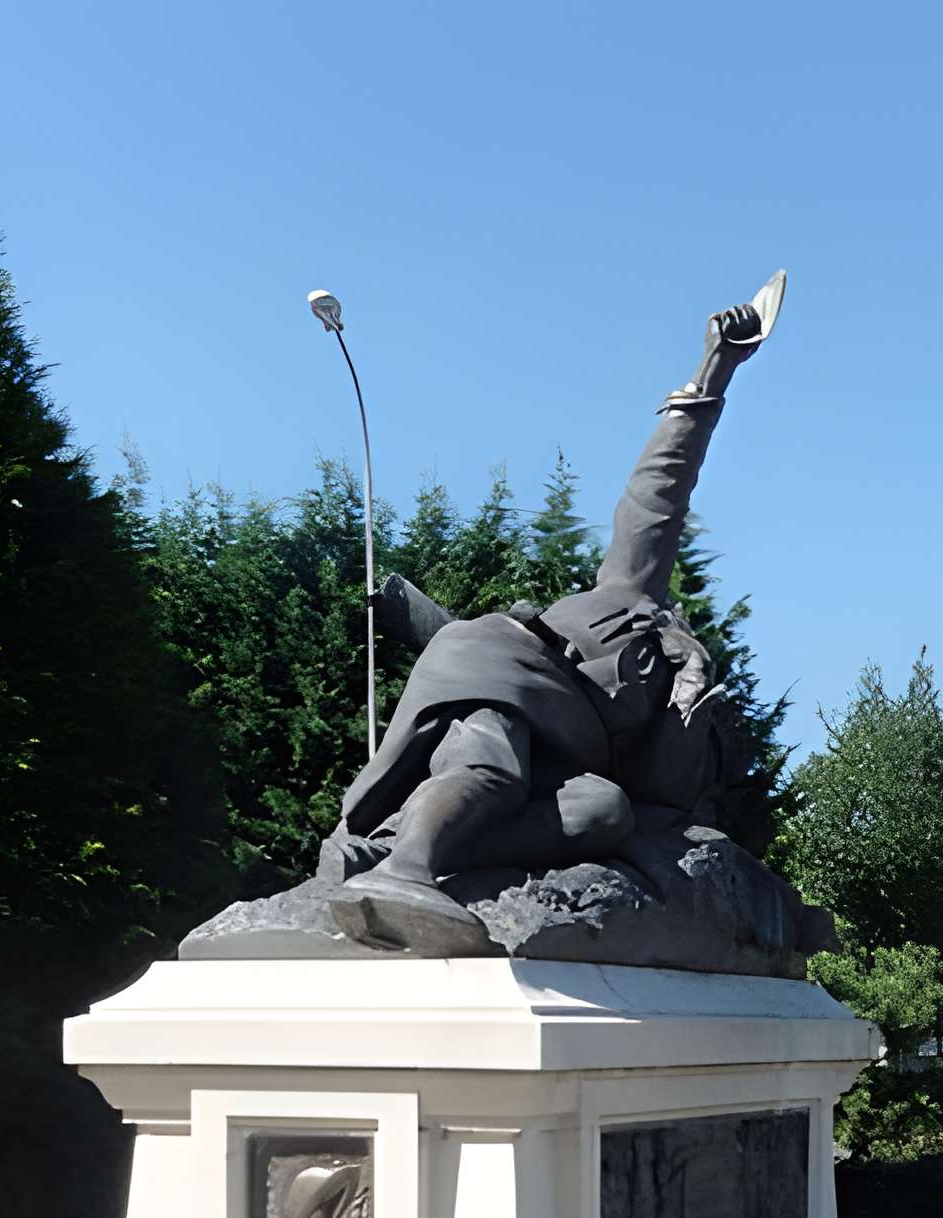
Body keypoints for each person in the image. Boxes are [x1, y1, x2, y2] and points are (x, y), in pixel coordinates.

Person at [324, 276, 785, 951]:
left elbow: (656, 806)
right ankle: (406, 871)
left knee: (601, 812)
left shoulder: (667, 740)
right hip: (510, 671)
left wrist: (690, 708)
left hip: (557, 761)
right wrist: (715, 367)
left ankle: (393, 851)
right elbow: (658, 492)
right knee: (491, 764)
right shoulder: (633, 602)